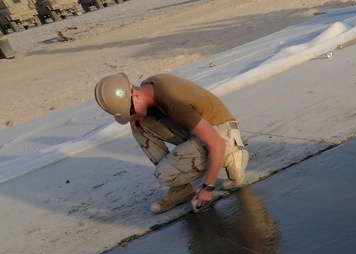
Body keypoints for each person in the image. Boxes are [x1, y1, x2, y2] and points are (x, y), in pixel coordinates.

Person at [94, 72, 250, 214]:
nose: (130, 117)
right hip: (198, 129)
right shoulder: (149, 85)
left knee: (164, 175)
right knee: (140, 127)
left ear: (135, 96)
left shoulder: (174, 102)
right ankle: (181, 189)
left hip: (221, 135)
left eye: (130, 112)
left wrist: (207, 188)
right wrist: (138, 117)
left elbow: (217, 144)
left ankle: (231, 156)